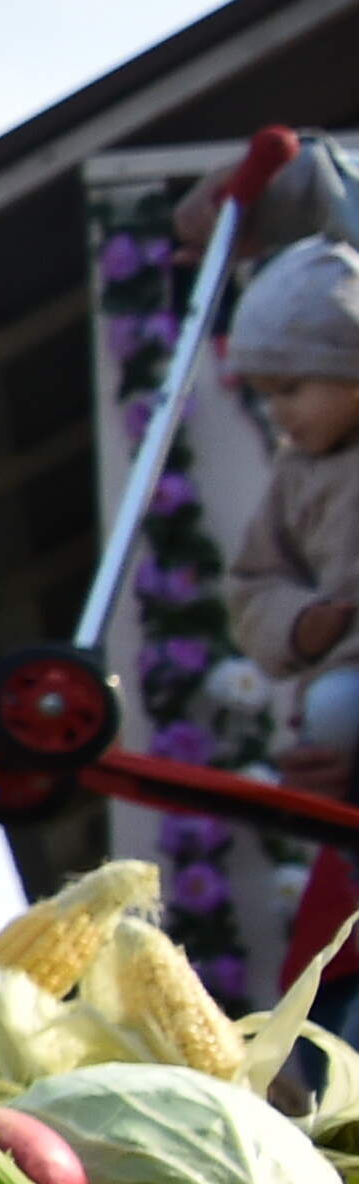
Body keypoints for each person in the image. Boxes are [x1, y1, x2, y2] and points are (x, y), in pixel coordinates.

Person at [224, 235, 359, 792]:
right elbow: (254, 583)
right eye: (264, 394)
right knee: (331, 712)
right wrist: (300, 623)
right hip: (342, 677)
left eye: (291, 388)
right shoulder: (295, 474)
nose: (277, 412)